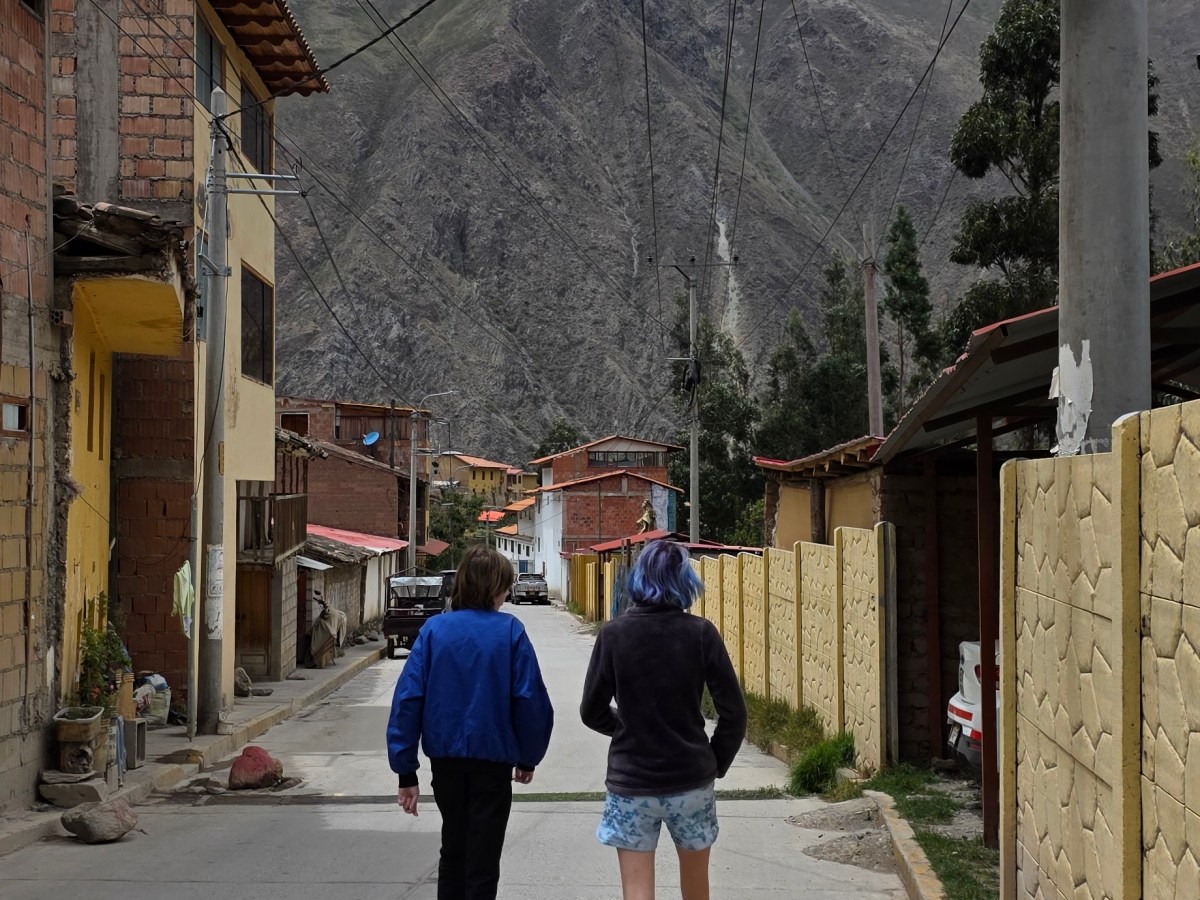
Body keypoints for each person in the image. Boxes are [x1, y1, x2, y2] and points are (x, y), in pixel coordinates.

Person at [580, 540, 747, 900]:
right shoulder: (701, 633)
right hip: (690, 779)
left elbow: (590, 711)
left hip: (631, 782)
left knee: (637, 892)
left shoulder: (613, 634)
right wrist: (715, 762)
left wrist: (625, 726)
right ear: (685, 582)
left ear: (639, 578)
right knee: (696, 888)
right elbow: (734, 713)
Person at [387, 545, 554, 900]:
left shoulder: (434, 631)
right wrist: (528, 757)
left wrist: (406, 771)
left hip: (446, 764)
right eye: (506, 586)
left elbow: (408, 700)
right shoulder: (510, 631)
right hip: (493, 765)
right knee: (483, 859)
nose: (508, 593)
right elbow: (530, 700)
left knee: (453, 850)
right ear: (495, 587)